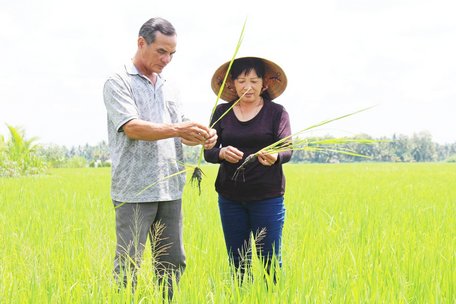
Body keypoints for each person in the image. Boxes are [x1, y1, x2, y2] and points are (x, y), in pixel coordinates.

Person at [103, 17, 217, 299]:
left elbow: (179, 131)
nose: (167, 59)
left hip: (170, 188)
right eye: (161, 51)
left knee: (172, 261)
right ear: (141, 43)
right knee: (128, 263)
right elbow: (132, 127)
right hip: (134, 191)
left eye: (172, 54)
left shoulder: (169, 86)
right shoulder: (118, 81)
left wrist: (201, 135)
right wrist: (179, 128)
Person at [204, 57, 292, 283]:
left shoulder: (277, 113)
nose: (248, 86)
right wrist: (221, 153)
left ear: (264, 84)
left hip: (267, 198)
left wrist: (275, 156)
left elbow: (287, 150)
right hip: (230, 198)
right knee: (238, 262)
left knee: (270, 262)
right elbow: (209, 152)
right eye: (242, 80)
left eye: (254, 80)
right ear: (232, 84)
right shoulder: (222, 112)